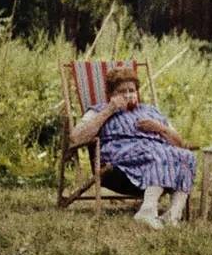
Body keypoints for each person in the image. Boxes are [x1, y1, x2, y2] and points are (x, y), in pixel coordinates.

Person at [69, 66, 196, 229]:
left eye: (132, 90)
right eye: (122, 91)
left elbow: (179, 144)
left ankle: (173, 216)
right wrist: (110, 110)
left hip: (155, 156)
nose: (128, 95)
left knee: (187, 156)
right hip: (120, 162)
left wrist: (160, 128)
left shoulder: (151, 111)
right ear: (111, 95)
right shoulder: (99, 111)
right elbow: (76, 138)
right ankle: (147, 211)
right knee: (157, 152)